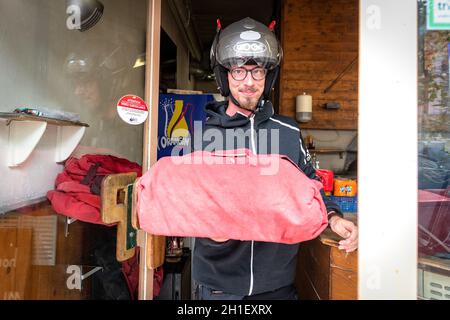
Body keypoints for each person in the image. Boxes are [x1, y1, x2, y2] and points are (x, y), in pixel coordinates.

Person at [192, 17, 358, 300]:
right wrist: (209, 231)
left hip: (277, 284)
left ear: (268, 76)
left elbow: (311, 185)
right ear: (224, 75)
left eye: (257, 71)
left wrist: (332, 217)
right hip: (220, 285)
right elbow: (187, 203)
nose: (249, 82)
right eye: (238, 71)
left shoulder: (288, 130)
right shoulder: (203, 135)